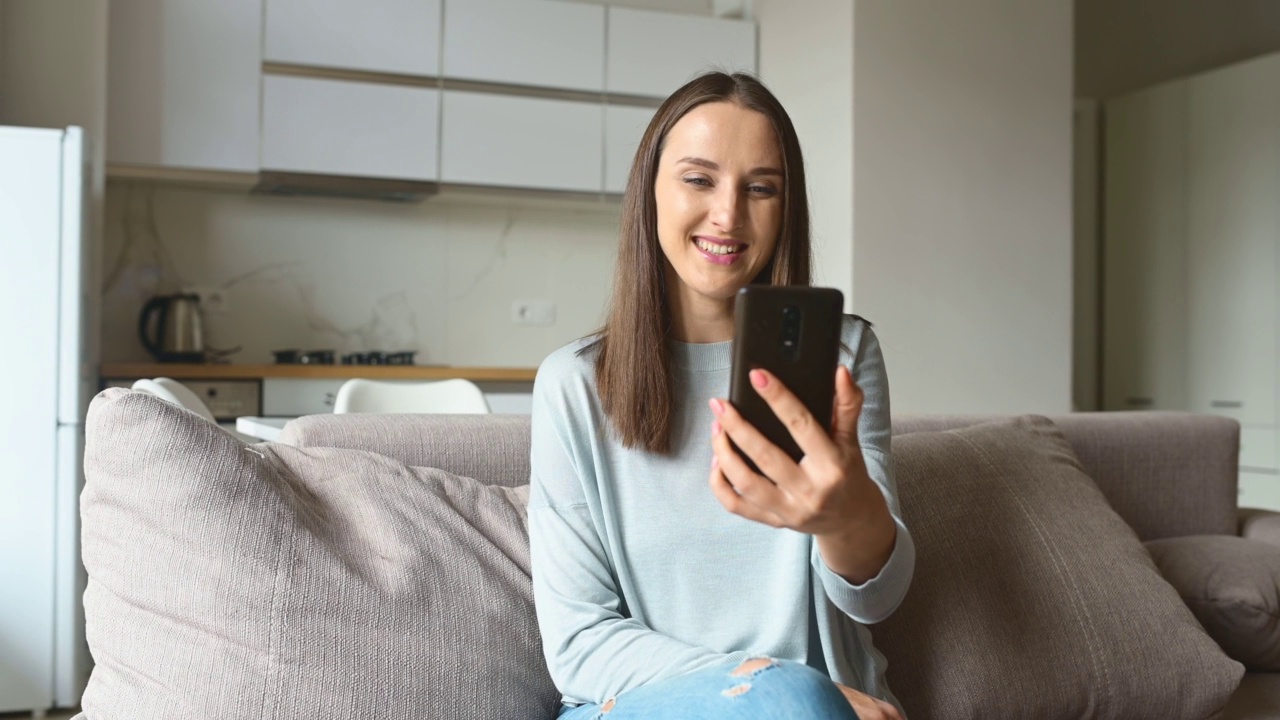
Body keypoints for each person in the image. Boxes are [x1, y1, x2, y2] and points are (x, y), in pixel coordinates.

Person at [528, 71, 915, 720]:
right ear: (650, 192)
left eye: (760, 188)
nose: (728, 215)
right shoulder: (573, 385)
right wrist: (773, 686)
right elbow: (579, 645)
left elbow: (876, 602)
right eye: (699, 179)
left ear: (785, 208)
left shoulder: (843, 356)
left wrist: (846, 517)